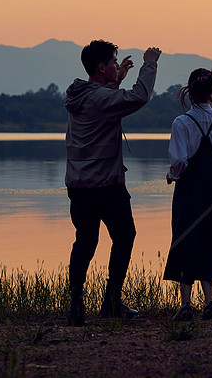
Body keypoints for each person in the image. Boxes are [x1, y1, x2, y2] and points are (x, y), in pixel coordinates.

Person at [64, 40, 162, 326]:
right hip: (106, 184)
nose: (118, 66)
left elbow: (102, 103)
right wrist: (150, 63)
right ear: (101, 67)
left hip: (78, 184)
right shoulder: (97, 98)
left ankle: (76, 302)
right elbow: (139, 97)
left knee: (85, 241)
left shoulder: (79, 95)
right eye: (115, 62)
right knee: (124, 236)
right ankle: (111, 301)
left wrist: (115, 82)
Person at [163, 68, 212, 321]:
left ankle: (185, 305)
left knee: (185, 237)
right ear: (211, 91)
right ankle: (209, 303)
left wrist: (173, 175)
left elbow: (179, 161)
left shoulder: (181, 122)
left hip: (189, 190)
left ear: (190, 91)